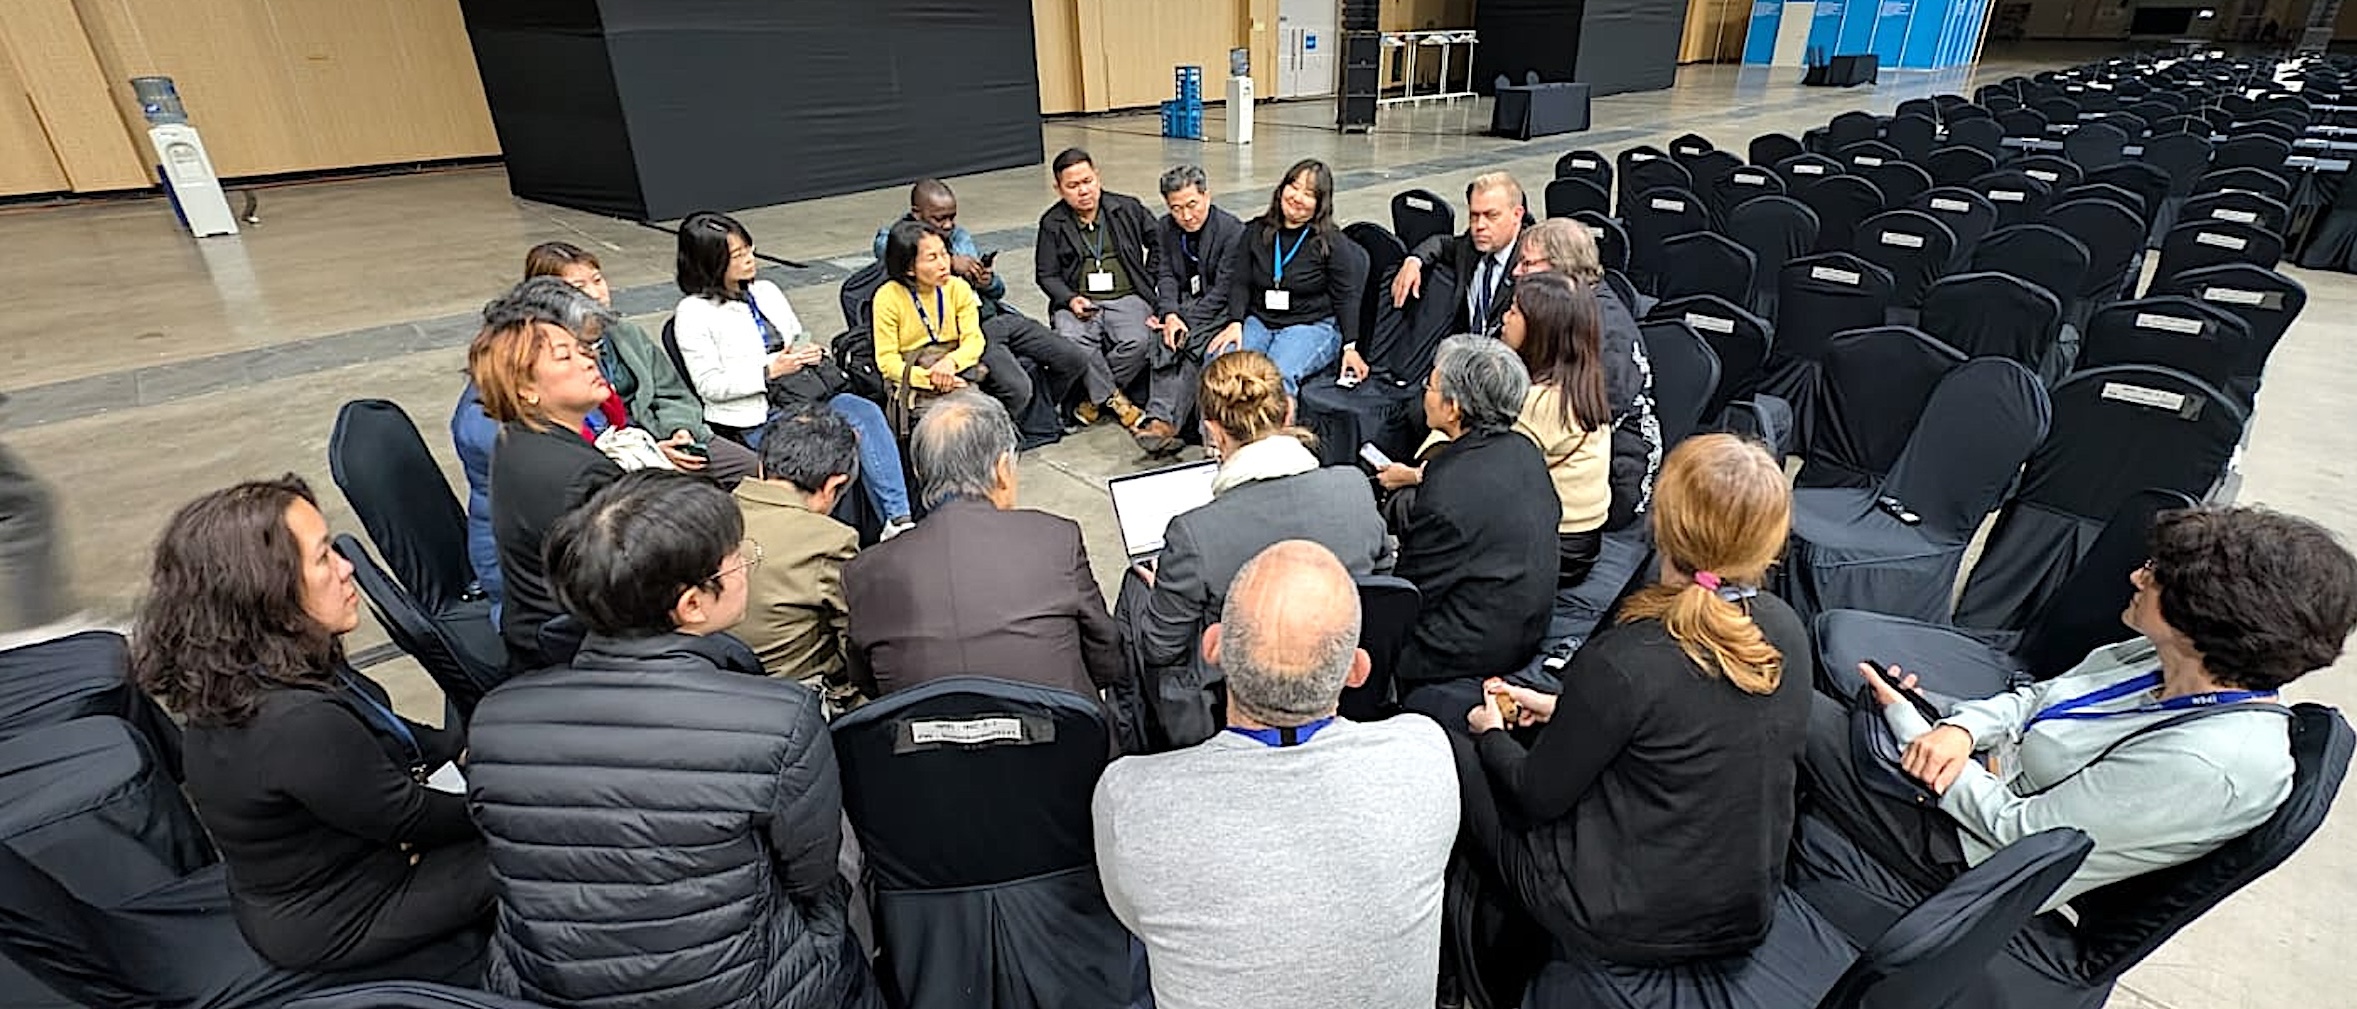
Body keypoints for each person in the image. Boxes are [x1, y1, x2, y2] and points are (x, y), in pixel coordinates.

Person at [1804, 506, 2357, 914]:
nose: (2138, 577)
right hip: (1976, 782)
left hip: (1968, 854)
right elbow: (2039, 697)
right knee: (1835, 689)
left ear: (2209, 619)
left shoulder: (2210, 764)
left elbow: (2020, 833)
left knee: (1784, 708)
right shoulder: (2170, 657)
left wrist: (1911, 729)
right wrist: (1960, 728)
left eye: (2157, 576)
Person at [467, 472, 876, 1009]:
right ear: (692, 605)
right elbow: (809, 875)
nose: (747, 562)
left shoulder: (496, 719)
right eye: (739, 556)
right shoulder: (778, 722)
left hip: (548, 989)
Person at [1454, 434, 1813, 971]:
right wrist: (1567, 712)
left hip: (1620, 919)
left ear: (1662, 523)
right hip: (1744, 912)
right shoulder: (1785, 629)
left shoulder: (1627, 658)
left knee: (1450, 744)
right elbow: (1685, 725)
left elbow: (1535, 796)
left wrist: (1490, 733)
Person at [133, 477, 490, 979]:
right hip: (346, 914)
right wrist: (518, 800)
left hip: (338, 870)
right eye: (324, 558)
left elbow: (394, 734)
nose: (347, 569)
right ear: (268, 593)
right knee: (543, 850)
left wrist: (469, 746)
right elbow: (411, 816)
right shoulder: (295, 722)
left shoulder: (256, 666)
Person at [1095, 540, 1458, 1009]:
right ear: (1357, 670)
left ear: (1213, 648)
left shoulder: (1129, 799)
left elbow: (1132, 916)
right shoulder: (1425, 756)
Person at [1127, 351, 1394, 748]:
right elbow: (1382, 581)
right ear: (1288, 412)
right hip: (1340, 675)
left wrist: (1158, 591)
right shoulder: (1353, 487)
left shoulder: (1193, 533)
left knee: (1134, 592)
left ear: (1213, 432)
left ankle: (1147, 746)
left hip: (1243, 703)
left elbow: (1160, 646)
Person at [841, 393, 1122, 698]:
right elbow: (1106, 658)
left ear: (920, 474)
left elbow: (867, 682)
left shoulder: (865, 570)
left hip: (921, 742)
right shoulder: (1055, 538)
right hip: (1061, 737)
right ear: (1003, 468)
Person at [671, 211, 912, 534]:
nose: (749, 260)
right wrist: (768, 371)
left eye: (749, 249)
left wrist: (809, 352)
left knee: (865, 413)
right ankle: (828, 538)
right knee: (823, 446)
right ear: (710, 262)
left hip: (806, 392)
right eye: (738, 255)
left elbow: (796, 335)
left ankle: (898, 521)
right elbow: (709, 385)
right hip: (758, 412)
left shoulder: (766, 291)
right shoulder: (693, 313)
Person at [1374, 335, 1558, 722]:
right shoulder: (1523, 450)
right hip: (1529, 618)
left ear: (1454, 408)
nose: (1425, 392)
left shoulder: (1449, 487)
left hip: (1475, 645)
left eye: (1431, 386)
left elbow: (1415, 592)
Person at [524, 241, 759, 483]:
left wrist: (680, 431)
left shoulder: (626, 333)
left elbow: (671, 391)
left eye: (597, 280)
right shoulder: (547, 355)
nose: (595, 294)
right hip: (615, 456)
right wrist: (652, 449)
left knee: (762, 473)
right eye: (579, 287)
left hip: (667, 433)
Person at [470, 309, 624, 673]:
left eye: (582, 348)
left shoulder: (516, 439)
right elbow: (630, 581)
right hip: (582, 651)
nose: (588, 360)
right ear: (526, 388)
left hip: (534, 635)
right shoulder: (580, 474)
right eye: (564, 356)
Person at [871, 179, 1092, 408]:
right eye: (939, 219)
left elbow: (996, 294)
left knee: (1073, 357)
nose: (948, 226)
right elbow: (889, 252)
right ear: (917, 214)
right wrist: (952, 262)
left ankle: (1043, 413)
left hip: (989, 315)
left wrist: (987, 281)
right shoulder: (895, 247)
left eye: (952, 217)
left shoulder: (959, 246)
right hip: (967, 332)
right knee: (1016, 387)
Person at [1516, 218, 1662, 521]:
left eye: (1527, 264)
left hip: (1616, 472)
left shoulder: (1608, 333)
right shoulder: (1561, 308)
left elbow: (1589, 417)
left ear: (1561, 267)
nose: (1517, 272)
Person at [1501, 273, 1614, 622]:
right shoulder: (1582, 384)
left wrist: (1415, 474)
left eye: (1515, 312)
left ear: (1541, 330)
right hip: (1586, 538)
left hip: (1557, 548)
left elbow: (1497, 477)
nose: (1504, 318)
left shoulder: (1539, 404)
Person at [733, 411, 860, 709]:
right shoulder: (830, 539)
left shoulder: (707, 513)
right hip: (794, 699)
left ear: (762, 467)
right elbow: (855, 643)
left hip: (711, 689)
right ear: (833, 486)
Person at [1208, 158, 1367, 395]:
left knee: (1276, 377)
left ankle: (1277, 431)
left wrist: (1350, 347)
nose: (1297, 197)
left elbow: (1347, 297)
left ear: (1320, 203)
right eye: (1293, 186)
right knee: (1222, 365)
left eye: (1309, 193)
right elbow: (1240, 281)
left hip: (1310, 324)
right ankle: (1215, 432)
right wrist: (1235, 322)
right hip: (1260, 320)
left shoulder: (1332, 242)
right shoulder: (1255, 231)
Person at [1035, 148, 1157, 429]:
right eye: (1073, 186)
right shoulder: (1052, 223)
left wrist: (1147, 278)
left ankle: (1093, 399)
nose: (1083, 191)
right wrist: (1069, 299)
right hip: (1079, 300)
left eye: (1087, 181)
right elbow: (1046, 274)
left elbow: (1158, 241)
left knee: (1141, 341)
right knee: (1073, 342)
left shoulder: (1127, 208)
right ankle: (1115, 399)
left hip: (1126, 295)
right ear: (1058, 188)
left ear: (1097, 177)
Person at [1134, 164, 1247, 455]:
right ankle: (1161, 420)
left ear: (1206, 196)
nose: (1186, 216)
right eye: (1176, 208)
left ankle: (1205, 432)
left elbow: (1225, 288)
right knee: (1164, 339)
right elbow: (1166, 275)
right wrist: (1170, 314)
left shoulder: (1231, 230)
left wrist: (1183, 320)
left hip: (1219, 307)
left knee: (1193, 344)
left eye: (1192, 205)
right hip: (1185, 303)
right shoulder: (1165, 228)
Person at [871, 219, 1031, 415]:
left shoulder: (957, 287)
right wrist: (929, 378)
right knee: (953, 420)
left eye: (944, 254)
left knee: (993, 406)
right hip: (914, 377)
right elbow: (887, 361)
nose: (943, 264)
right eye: (932, 258)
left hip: (954, 368)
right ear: (909, 268)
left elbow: (973, 339)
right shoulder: (887, 297)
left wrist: (951, 363)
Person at [1377, 172, 1527, 377]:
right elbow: (1441, 243)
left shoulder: (1530, 262)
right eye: (1474, 216)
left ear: (1517, 215)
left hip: (1504, 371)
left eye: (1491, 216)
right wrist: (1413, 261)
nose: (1479, 226)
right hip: (1461, 360)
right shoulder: (1470, 246)